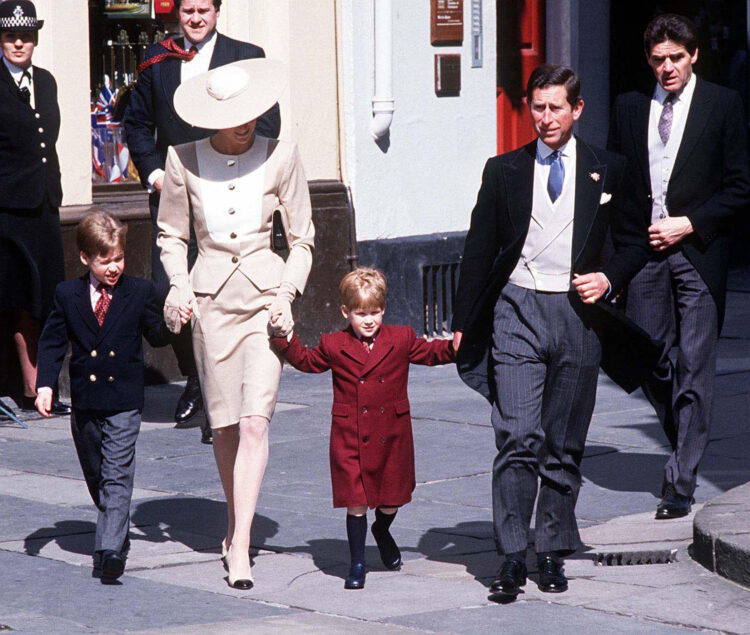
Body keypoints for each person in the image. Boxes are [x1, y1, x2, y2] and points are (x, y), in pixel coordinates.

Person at [451, 64, 658, 600]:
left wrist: (610, 277)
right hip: (516, 310)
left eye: (556, 108)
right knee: (518, 436)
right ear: (529, 109)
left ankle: (551, 550)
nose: (546, 118)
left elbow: (636, 239)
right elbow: (478, 250)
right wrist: (462, 322)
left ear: (577, 110)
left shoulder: (607, 169)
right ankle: (513, 556)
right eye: (538, 108)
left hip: (578, 317)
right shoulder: (503, 171)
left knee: (563, 443)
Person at [157, 58, 314, 589]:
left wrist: (288, 294)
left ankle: (241, 544)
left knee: (255, 422)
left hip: (266, 302)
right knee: (223, 426)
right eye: (235, 115)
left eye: (253, 112)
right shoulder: (182, 160)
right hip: (211, 302)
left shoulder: (282, 156)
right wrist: (178, 283)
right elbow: (171, 235)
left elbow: (304, 240)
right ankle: (233, 520)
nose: (247, 122)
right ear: (210, 117)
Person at [608, 14, 750, 520]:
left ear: (693, 57)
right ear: (648, 60)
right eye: (657, 59)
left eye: (675, 57)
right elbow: (619, 187)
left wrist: (688, 223)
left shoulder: (723, 105)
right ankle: (683, 433)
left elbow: (740, 185)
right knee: (648, 359)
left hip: (697, 253)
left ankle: (681, 479)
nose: (666, 68)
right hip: (644, 252)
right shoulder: (629, 108)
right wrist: (612, 261)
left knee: (695, 366)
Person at [123, 0, 281, 443]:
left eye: (204, 10)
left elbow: (268, 122)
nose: (195, 19)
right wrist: (155, 174)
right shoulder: (158, 59)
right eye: (188, 10)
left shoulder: (245, 56)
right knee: (165, 292)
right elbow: (136, 124)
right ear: (177, 13)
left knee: (226, 299)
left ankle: (220, 403)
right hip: (175, 197)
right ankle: (196, 375)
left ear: (217, 11)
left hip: (231, 200)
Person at [270, 268, 456, 590]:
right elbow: (306, 361)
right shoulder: (334, 343)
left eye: (375, 312)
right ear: (346, 312)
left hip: (392, 434)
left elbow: (431, 353)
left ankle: (382, 530)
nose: (369, 320)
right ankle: (357, 563)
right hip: (351, 435)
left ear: (384, 309)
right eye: (360, 314)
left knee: (390, 500)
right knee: (355, 500)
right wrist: (282, 336)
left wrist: (457, 346)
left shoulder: (400, 338)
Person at [34, 212, 181, 582]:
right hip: (85, 402)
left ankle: (111, 550)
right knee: (97, 473)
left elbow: (158, 335)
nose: (114, 267)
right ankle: (115, 526)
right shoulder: (67, 294)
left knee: (116, 474)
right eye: (105, 261)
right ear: (85, 258)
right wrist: (46, 385)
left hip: (124, 400)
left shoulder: (139, 291)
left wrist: (176, 320)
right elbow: (52, 341)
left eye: (119, 258)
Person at [0, 0, 69, 418]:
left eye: (26, 36)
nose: (19, 43)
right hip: (7, 210)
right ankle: (19, 386)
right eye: (11, 35)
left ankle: (40, 389)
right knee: (11, 299)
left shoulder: (46, 81)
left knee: (44, 299)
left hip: (44, 206)